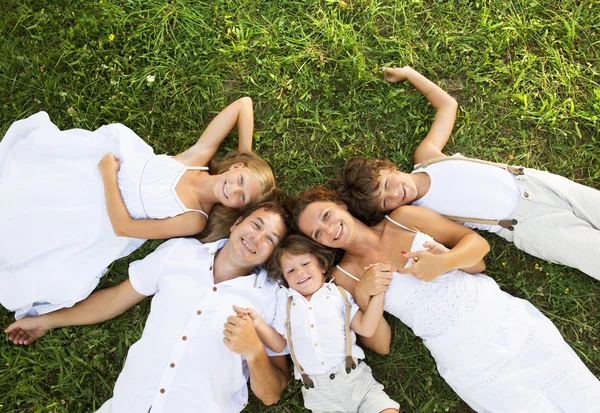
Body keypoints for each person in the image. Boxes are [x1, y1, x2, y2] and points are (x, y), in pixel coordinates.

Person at [295, 186, 600, 413]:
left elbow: (477, 247)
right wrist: (365, 296)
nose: (328, 230)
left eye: (326, 216)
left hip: (508, 323)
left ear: (339, 205)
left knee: (586, 397)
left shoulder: (403, 219)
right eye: (317, 233)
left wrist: (444, 261)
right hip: (470, 362)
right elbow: (382, 344)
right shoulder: (342, 279)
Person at [0, 97, 277, 319]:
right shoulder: (197, 157)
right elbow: (243, 104)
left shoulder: (194, 219)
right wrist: (247, 155)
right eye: (240, 180)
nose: (234, 190)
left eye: (241, 197)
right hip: (86, 176)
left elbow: (124, 228)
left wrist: (109, 174)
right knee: (23, 179)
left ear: (238, 209)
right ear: (236, 167)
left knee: (26, 227)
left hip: (104, 210)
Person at [4, 203, 289, 413]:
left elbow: (271, 394)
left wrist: (253, 351)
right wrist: (46, 321)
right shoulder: (180, 253)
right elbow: (115, 299)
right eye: (256, 225)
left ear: (272, 253)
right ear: (236, 223)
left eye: (271, 240)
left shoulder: (271, 298)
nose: (258, 238)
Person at [335, 66, 600, 280]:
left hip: (533, 182)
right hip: (524, 224)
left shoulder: (426, 158)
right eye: (385, 201)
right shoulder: (419, 213)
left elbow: (447, 106)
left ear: (388, 167)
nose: (394, 193)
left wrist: (409, 74)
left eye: (385, 184)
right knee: (592, 253)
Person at [234, 234, 399, 413]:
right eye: (290, 271)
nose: (299, 272)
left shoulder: (337, 294)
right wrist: (258, 322)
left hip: (355, 380)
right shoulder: (286, 302)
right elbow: (279, 344)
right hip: (319, 394)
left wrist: (379, 293)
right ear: (285, 279)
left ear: (322, 266)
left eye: (305, 264)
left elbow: (366, 328)